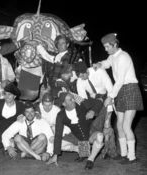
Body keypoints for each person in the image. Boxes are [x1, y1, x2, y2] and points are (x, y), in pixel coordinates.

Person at [93, 33, 144, 164]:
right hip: (120, 91)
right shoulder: (113, 56)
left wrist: (110, 97)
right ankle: (124, 154)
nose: (105, 49)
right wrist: (99, 64)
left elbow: (120, 80)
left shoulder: (123, 57)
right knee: (119, 125)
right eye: (104, 47)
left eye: (107, 46)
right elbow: (107, 63)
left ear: (115, 44)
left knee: (126, 126)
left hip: (130, 89)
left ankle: (132, 157)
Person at [48, 92, 104, 170]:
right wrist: (55, 155)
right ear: (64, 104)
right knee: (53, 140)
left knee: (100, 136)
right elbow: (58, 134)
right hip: (77, 137)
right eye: (70, 100)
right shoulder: (61, 116)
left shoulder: (82, 105)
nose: (73, 101)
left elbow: (99, 101)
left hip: (90, 133)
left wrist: (93, 111)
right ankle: (82, 151)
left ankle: (90, 159)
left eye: (73, 98)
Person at [74, 61, 117, 159]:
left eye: (82, 75)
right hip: (94, 101)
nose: (82, 78)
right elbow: (83, 100)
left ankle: (111, 151)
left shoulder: (99, 72)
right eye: (79, 76)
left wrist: (107, 99)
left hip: (107, 97)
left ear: (86, 70)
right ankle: (84, 152)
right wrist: (89, 111)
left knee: (107, 125)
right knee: (88, 124)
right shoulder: (80, 81)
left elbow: (110, 89)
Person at [0, 83, 25, 158]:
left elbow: (29, 111)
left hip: (10, 134)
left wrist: (22, 115)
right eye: (5, 94)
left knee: (12, 152)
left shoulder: (20, 105)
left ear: (14, 96)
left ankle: (6, 146)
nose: (6, 97)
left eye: (9, 94)